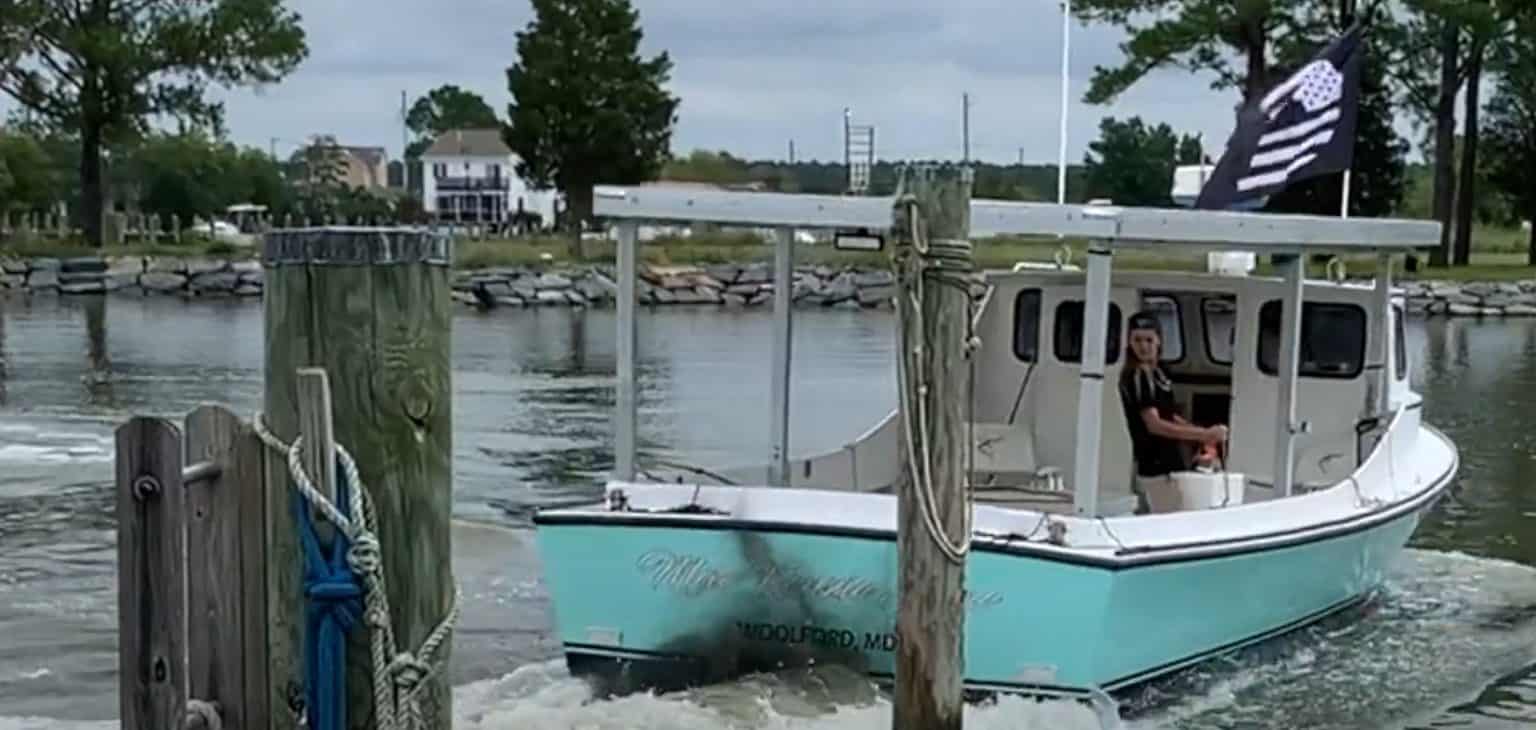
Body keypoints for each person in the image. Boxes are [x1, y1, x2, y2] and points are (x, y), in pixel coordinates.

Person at [1119, 310, 1229, 513]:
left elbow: (1169, 415)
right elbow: (1154, 424)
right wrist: (1204, 434)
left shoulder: (1161, 372)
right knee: (1170, 517)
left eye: (1149, 340)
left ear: (1159, 341)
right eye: (1137, 340)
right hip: (1155, 465)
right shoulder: (1137, 376)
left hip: (1171, 460)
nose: (1143, 346)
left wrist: (1203, 435)